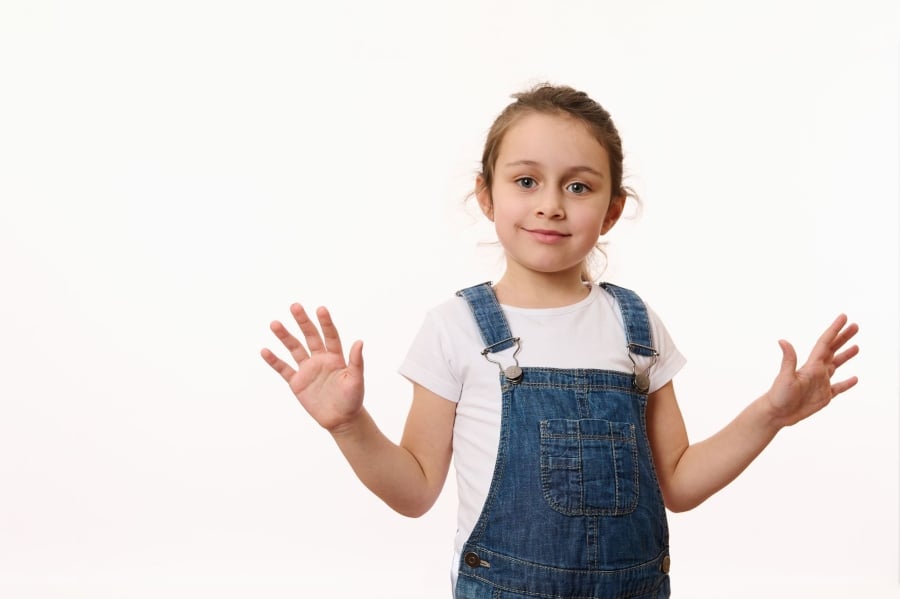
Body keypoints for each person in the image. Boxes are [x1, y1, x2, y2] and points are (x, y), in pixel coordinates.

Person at [260, 83, 860, 599]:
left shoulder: (636, 325)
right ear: (487, 195)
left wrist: (770, 415)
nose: (550, 205)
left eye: (578, 187)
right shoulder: (456, 327)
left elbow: (677, 482)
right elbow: (414, 490)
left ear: (613, 209)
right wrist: (348, 424)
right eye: (527, 181)